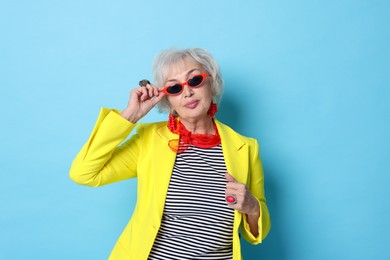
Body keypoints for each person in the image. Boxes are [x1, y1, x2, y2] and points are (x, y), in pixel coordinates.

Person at [69, 48, 271, 259]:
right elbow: (84, 173)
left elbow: (257, 233)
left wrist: (252, 207)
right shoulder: (150, 140)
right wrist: (130, 115)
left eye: (194, 80)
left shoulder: (245, 147)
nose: (187, 92)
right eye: (174, 87)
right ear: (167, 100)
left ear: (212, 83)